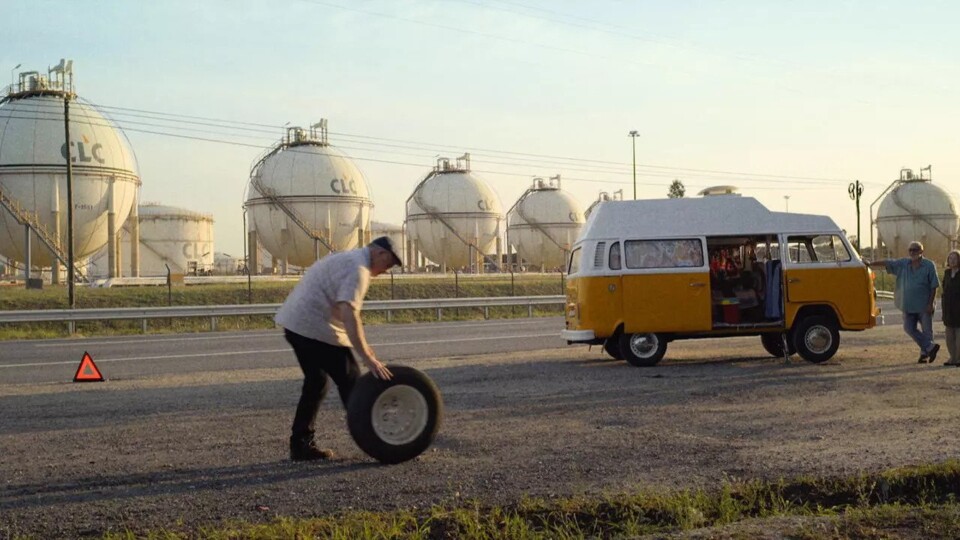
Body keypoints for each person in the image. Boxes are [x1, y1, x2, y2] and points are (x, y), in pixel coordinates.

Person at [275, 237, 401, 461]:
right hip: (313, 328)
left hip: (296, 325)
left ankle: (301, 444)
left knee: (316, 383)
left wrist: (365, 351)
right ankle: (380, 444)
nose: (386, 271)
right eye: (389, 264)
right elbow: (349, 314)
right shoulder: (358, 270)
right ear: (380, 253)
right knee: (352, 382)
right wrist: (367, 357)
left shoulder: (346, 256)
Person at [867, 241, 941, 363]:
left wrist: (930, 303)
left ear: (921, 251)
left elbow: (934, 286)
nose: (912, 252)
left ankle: (924, 354)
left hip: (924, 304)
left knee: (927, 331)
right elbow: (888, 262)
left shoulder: (929, 265)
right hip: (908, 304)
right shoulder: (904, 263)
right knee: (908, 328)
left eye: (915, 250)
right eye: (910, 250)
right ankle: (930, 347)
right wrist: (870, 264)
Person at [942, 250, 960, 366]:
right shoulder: (947, 273)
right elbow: (944, 287)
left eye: (955, 258)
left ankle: (958, 359)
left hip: (959, 308)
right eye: (950, 258)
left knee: (959, 336)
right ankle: (952, 358)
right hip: (948, 308)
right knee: (949, 336)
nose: (952, 260)